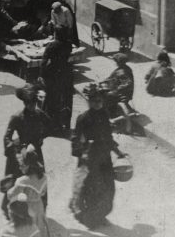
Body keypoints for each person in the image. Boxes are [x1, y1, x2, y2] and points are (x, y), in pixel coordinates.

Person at [69, 84, 126, 229]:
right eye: (94, 101)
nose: (97, 104)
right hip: (90, 158)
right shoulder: (83, 118)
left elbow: (108, 136)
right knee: (90, 189)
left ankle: (100, 216)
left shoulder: (104, 114)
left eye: (100, 101)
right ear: (89, 101)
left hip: (104, 157)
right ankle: (88, 218)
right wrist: (82, 151)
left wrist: (118, 152)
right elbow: (75, 138)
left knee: (108, 188)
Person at [3, 85, 51, 177]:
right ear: (25, 103)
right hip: (21, 151)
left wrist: (41, 137)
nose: (32, 106)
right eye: (29, 103)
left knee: (38, 179)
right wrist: (13, 151)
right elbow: (7, 137)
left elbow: (50, 126)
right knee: (18, 180)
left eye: (34, 103)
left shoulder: (39, 114)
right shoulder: (17, 117)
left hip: (35, 150)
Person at [6, 147, 49, 237]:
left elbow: (10, 195)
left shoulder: (22, 181)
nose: (20, 167)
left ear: (29, 166)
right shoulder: (44, 177)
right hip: (39, 207)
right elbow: (43, 193)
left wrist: (9, 189)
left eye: (22, 165)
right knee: (40, 230)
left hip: (28, 210)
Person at [40, 25, 74, 133]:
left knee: (51, 98)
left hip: (53, 74)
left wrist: (41, 74)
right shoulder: (68, 45)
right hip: (66, 73)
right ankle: (64, 124)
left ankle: (49, 125)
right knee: (65, 99)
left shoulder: (51, 45)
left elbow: (44, 62)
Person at [101, 53, 135, 130]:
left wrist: (115, 90)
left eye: (115, 61)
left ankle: (107, 117)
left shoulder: (122, 72)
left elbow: (127, 83)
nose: (115, 62)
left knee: (105, 96)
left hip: (122, 93)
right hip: (124, 92)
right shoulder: (125, 68)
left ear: (119, 62)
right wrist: (105, 81)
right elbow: (111, 78)